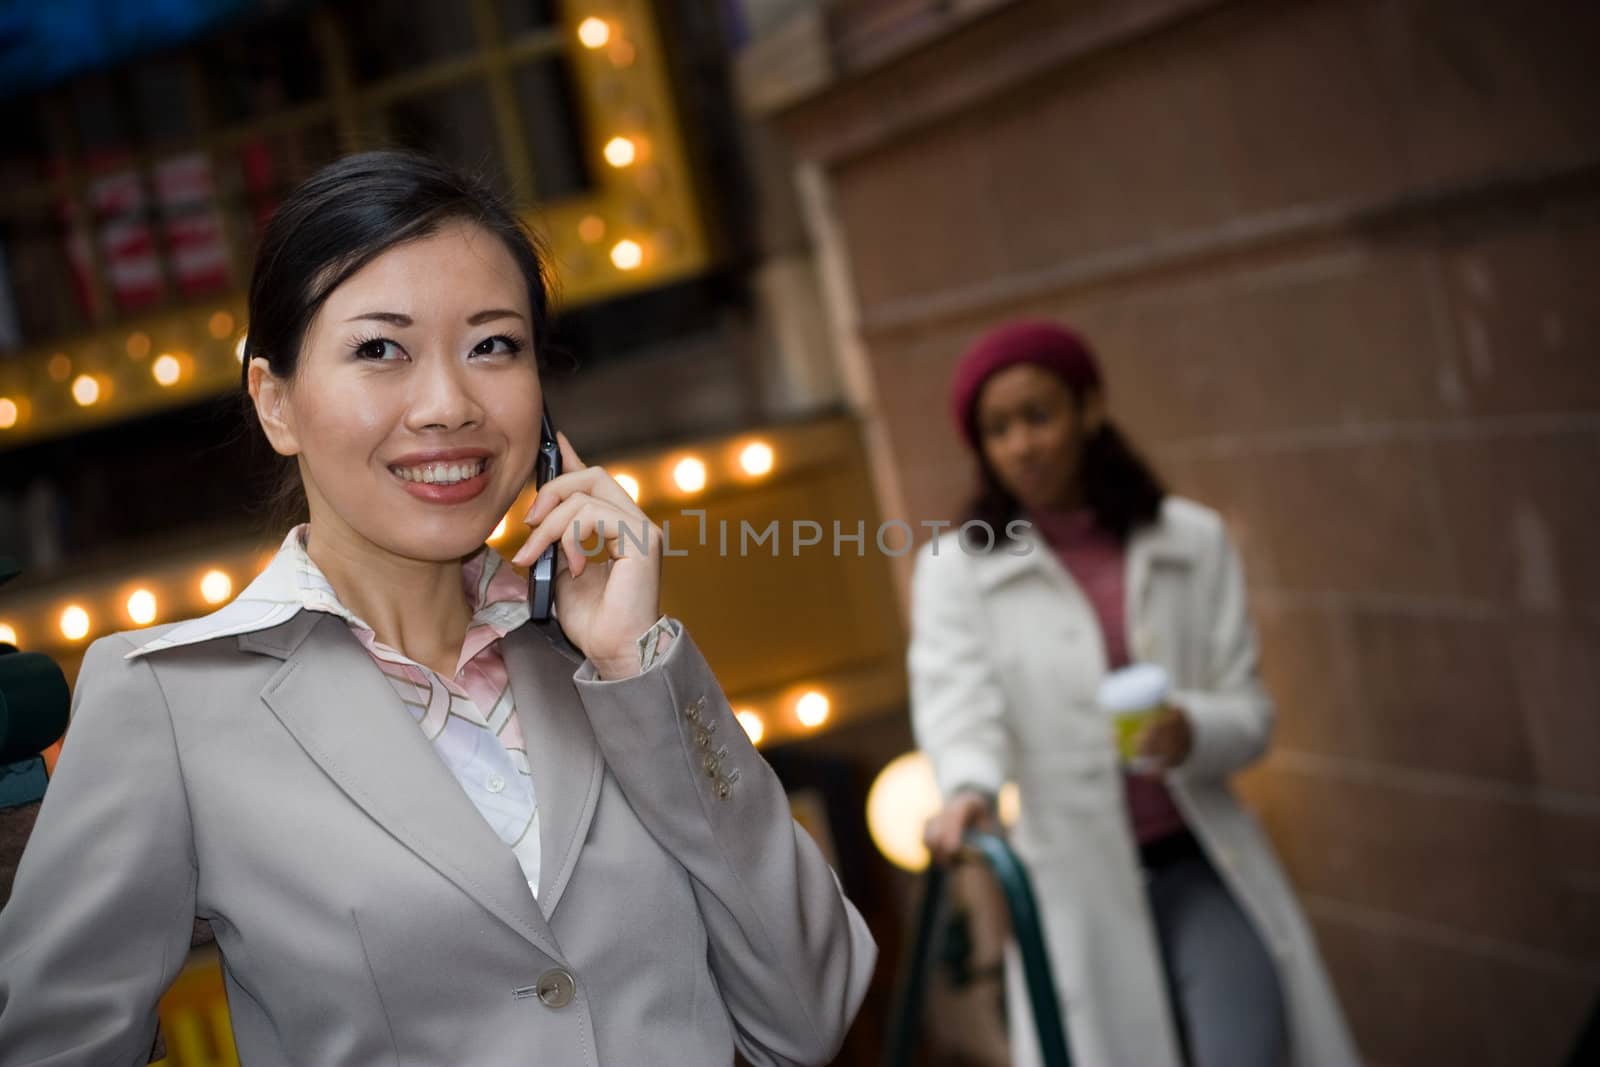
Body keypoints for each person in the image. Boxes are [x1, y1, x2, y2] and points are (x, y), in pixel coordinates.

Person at [0, 151, 875, 1066]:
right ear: (276, 401)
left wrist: (634, 664)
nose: (449, 404)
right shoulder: (169, 700)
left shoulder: (605, 658)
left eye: (494, 345)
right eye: (381, 349)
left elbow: (807, 1017)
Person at [908, 321, 1358, 1067]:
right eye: (997, 428)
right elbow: (959, 704)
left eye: (1039, 415)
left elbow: (1250, 714)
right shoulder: (957, 570)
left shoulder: (1190, 539)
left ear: (1088, 408)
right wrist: (967, 788)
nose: (1022, 443)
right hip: (1075, 887)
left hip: (1199, 859)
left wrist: (1193, 730)